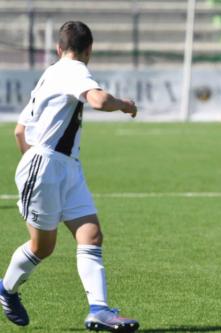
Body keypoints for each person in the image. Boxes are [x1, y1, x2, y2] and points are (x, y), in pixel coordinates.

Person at [0, 21, 140, 332]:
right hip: (48, 164)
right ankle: (6, 290)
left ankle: (99, 310)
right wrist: (125, 105)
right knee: (41, 247)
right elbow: (99, 100)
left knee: (90, 234)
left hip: (65, 166)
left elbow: (20, 129)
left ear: (58, 47)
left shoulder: (49, 73)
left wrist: (36, 162)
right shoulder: (73, 69)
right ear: (88, 50)